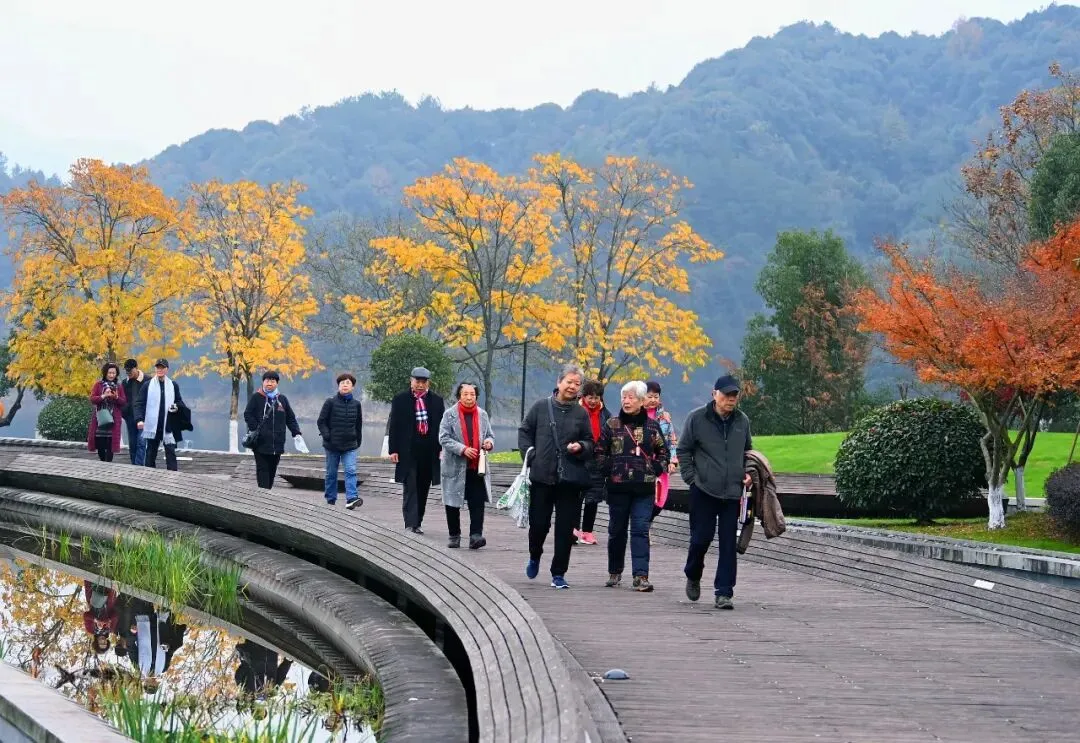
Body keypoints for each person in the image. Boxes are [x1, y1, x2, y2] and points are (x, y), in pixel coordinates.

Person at [678, 374, 753, 610]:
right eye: (726, 395)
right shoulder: (696, 418)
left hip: (732, 492)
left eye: (734, 396)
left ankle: (724, 592)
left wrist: (748, 472)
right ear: (714, 394)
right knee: (701, 539)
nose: (731, 400)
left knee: (728, 543)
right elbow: (683, 450)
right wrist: (692, 479)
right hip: (703, 490)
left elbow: (748, 452)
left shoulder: (742, 421)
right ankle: (693, 573)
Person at [518, 364, 593, 589]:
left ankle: (558, 573)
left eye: (577, 384)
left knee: (565, 530)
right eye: (569, 382)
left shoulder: (581, 413)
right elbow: (524, 431)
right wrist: (530, 457)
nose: (572, 387)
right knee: (539, 525)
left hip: (569, 480)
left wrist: (580, 446)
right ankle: (535, 555)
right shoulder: (541, 407)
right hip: (542, 477)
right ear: (559, 382)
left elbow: (590, 442)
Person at [596, 380, 669, 592]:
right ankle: (615, 571)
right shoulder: (612, 424)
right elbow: (599, 452)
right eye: (624, 397)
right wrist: (609, 467)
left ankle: (641, 575)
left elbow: (664, 453)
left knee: (640, 530)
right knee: (617, 531)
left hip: (643, 489)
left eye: (631, 397)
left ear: (641, 401)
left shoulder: (652, 427)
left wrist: (655, 467)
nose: (626, 401)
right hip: (618, 487)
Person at [438, 382, 495, 549]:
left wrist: (489, 443)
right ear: (459, 396)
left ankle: (475, 535)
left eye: (472, 394)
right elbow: (443, 438)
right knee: (452, 501)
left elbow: (490, 435)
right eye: (465, 394)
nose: (469, 397)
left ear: (476, 396)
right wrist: (463, 449)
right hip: (455, 466)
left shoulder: (482, 414)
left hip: (477, 467)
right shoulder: (449, 415)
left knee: (477, 502)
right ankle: (454, 535)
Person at [388, 367, 445, 534]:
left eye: (423, 382)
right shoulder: (400, 399)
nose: (420, 385)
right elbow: (394, 426)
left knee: (423, 487)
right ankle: (410, 523)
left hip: (429, 451)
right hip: (408, 451)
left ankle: (418, 521)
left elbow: (441, 427)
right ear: (411, 381)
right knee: (410, 485)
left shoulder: (436, 400)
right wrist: (393, 450)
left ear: (428, 383)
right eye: (417, 381)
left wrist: (442, 448)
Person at [244, 370, 305, 490]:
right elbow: (248, 414)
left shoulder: (282, 399)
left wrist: (296, 433)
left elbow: (290, 418)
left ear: (277, 383)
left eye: (272, 381)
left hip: (277, 443)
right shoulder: (256, 397)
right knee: (262, 469)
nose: (269, 383)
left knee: (272, 470)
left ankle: (267, 492)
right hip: (260, 443)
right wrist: (256, 428)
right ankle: (264, 496)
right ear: (263, 382)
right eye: (267, 380)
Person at [316, 373, 364, 509]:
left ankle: (351, 499)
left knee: (351, 470)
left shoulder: (356, 404)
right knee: (331, 473)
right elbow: (321, 421)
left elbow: (358, 425)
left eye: (348, 383)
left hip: (350, 445)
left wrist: (358, 441)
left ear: (352, 387)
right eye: (342, 383)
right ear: (338, 386)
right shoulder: (330, 402)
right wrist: (327, 436)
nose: (344, 385)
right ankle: (330, 500)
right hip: (332, 445)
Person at [574, 379, 610, 546]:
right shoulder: (575, 410)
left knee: (593, 498)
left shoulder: (606, 415)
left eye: (597, 397)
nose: (594, 401)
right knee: (576, 496)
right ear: (584, 396)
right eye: (590, 397)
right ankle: (573, 530)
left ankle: (587, 531)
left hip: (597, 460)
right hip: (578, 458)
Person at [135, 359, 188, 471]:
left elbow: (179, 401)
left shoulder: (173, 385)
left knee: (170, 453)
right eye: (158, 367)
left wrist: (176, 406)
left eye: (162, 368)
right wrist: (139, 419)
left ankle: (173, 479)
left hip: (168, 426)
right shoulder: (147, 385)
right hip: (152, 425)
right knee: (150, 454)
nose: (159, 370)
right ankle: (149, 478)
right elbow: (139, 404)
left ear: (166, 370)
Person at [644, 380, 679, 524]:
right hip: (643, 464)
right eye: (650, 396)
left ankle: (646, 524)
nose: (653, 400)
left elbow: (672, 440)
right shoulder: (636, 415)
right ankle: (643, 529)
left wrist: (673, 461)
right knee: (646, 498)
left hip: (661, 463)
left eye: (656, 396)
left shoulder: (664, 418)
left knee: (660, 500)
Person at [88, 362, 126, 462]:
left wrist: (116, 397)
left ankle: (108, 465)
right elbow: (92, 399)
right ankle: (102, 464)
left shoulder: (118, 386)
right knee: (100, 446)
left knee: (110, 446)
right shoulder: (98, 385)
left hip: (113, 421)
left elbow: (123, 402)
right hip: (100, 419)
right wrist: (103, 396)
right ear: (105, 373)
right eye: (109, 373)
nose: (111, 375)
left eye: (114, 373)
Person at [121, 359, 146, 465]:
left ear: (136, 368)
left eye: (130, 371)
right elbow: (123, 399)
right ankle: (134, 465)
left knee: (141, 443)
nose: (128, 374)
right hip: (130, 417)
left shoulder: (147, 381)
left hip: (144, 418)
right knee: (132, 443)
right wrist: (125, 412)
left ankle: (139, 466)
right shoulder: (125, 382)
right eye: (127, 372)